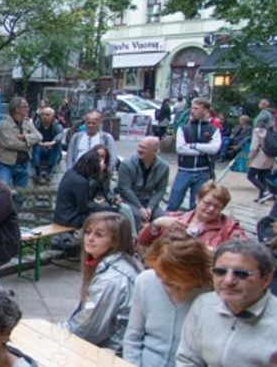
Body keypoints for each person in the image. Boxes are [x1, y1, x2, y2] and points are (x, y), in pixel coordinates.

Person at [175, 240, 277, 367]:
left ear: (266, 279)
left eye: (241, 274)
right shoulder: (204, 305)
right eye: (220, 272)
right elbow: (188, 359)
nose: (229, 281)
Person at [123, 234, 212, 366]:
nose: (175, 290)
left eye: (183, 285)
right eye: (166, 281)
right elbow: (133, 336)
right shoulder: (145, 281)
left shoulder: (209, 293)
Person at [62, 212, 141, 354]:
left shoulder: (111, 279)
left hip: (114, 352)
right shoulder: (123, 261)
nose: (89, 239)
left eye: (99, 235)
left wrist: (56, 333)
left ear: (115, 241)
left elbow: (87, 328)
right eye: (87, 232)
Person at [138, 180, 246, 250]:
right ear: (198, 199)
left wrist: (204, 248)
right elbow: (143, 242)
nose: (211, 208)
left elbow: (243, 251)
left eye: (217, 206)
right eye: (207, 203)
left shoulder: (229, 227)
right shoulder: (175, 218)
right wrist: (157, 222)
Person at [167, 98, 221, 212]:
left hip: (203, 171)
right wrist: (203, 150)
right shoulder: (184, 128)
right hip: (184, 169)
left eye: (196, 108)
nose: (192, 111)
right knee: (174, 201)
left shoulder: (213, 130)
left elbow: (214, 148)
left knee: (197, 205)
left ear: (205, 111)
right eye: (192, 108)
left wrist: (192, 145)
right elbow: (180, 148)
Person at [54, 146, 121, 229]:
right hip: (70, 218)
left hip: (62, 215)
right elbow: (84, 207)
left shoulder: (71, 173)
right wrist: (101, 206)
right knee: (108, 216)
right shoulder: (81, 182)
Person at [115, 136, 170, 231]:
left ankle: (157, 242)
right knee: (135, 215)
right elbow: (125, 189)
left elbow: (161, 190)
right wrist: (140, 207)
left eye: (143, 148)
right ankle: (134, 241)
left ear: (154, 151)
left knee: (161, 218)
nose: (139, 150)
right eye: (139, 146)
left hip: (148, 200)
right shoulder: (127, 164)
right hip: (128, 200)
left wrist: (150, 207)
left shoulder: (164, 167)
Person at [0, 97, 41, 189]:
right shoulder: (4, 124)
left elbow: (39, 137)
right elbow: (10, 143)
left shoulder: (27, 123)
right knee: (2, 190)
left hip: (24, 164)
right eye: (25, 106)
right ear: (16, 109)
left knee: (20, 195)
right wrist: (28, 145)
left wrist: (25, 137)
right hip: (7, 164)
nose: (28, 109)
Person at [247, 115, 275, 203]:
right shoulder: (272, 131)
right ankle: (261, 197)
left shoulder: (257, 131)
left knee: (250, 175)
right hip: (270, 157)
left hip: (259, 156)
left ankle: (266, 192)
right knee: (262, 177)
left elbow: (254, 147)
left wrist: (250, 158)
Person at [31, 107, 63, 184]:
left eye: (48, 115)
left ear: (52, 116)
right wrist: (40, 143)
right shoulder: (37, 125)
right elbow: (32, 135)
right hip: (40, 148)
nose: (45, 116)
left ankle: (49, 171)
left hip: (51, 148)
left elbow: (60, 134)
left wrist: (52, 142)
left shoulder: (56, 125)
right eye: (43, 114)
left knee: (57, 145)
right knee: (34, 145)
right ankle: (37, 171)